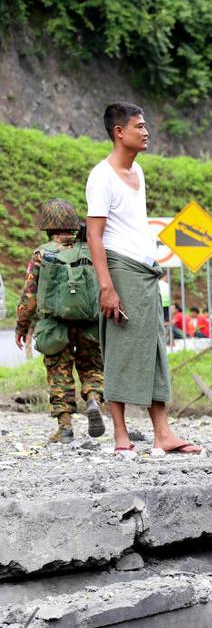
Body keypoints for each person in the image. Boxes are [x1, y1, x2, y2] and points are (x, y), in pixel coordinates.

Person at [85, 102, 200, 455]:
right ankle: (121, 437)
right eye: (139, 126)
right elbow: (94, 235)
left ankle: (162, 433)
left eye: (146, 125)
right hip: (119, 271)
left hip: (144, 271)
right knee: (121, 348)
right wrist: (107, 287)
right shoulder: (101, 177)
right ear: (120, 132)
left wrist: (151, 258)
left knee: (153, 350)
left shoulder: (138, 173)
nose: (146, 132)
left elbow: (135, 224)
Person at [13, 199, 106, 443]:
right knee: (92, 367)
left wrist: (22, 327)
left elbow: (29, 297)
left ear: (47, 226)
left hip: (54, 325)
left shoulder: (42, 254)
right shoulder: (90, 250)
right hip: (89, 323)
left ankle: (65, 427)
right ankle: (94, 400)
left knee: (58, 373)